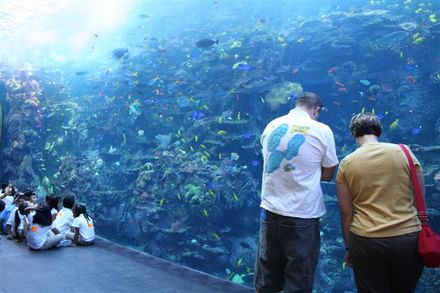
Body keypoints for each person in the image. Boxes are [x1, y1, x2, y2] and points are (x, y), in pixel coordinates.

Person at [255, 92, 339, 293]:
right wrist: (306, 173)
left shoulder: (272, 125)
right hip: (302, 213)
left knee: (267, 272)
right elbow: (328, 173)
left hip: (270, 210)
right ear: (316, 109)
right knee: (298, 274)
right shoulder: (321, 129)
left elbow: (270, 161)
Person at [336, 113, 424, 293]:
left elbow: (346, 212)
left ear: (354, 133)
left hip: (366, 241)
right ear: (379, 131)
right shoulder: (404, 152)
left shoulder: (346, 163)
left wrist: (348, 247)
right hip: (407, 238)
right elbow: (419, 198)